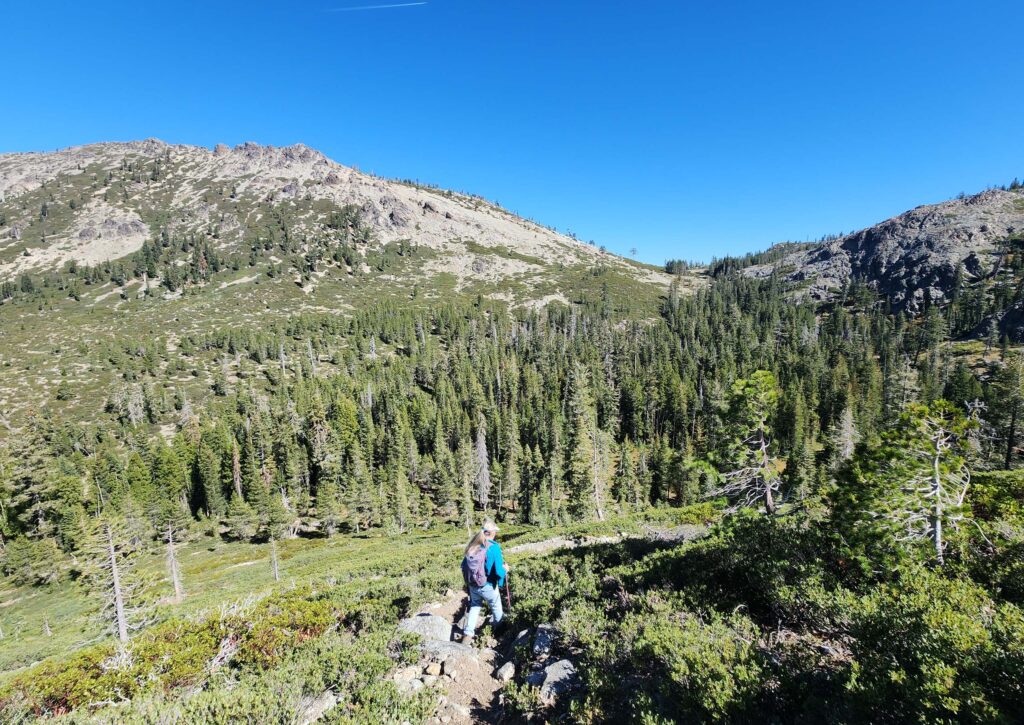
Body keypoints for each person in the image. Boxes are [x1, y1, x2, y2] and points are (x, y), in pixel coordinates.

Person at [460, 518, 510, 642]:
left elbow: (463, 566)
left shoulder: (474, 544)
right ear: (492, 533)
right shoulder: (494, 548)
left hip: (473, 584)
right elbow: (499, 571)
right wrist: (506, 571)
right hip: (488, 585)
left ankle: (468, 633)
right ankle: (499, 633)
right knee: (496, 606)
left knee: (475, 606)